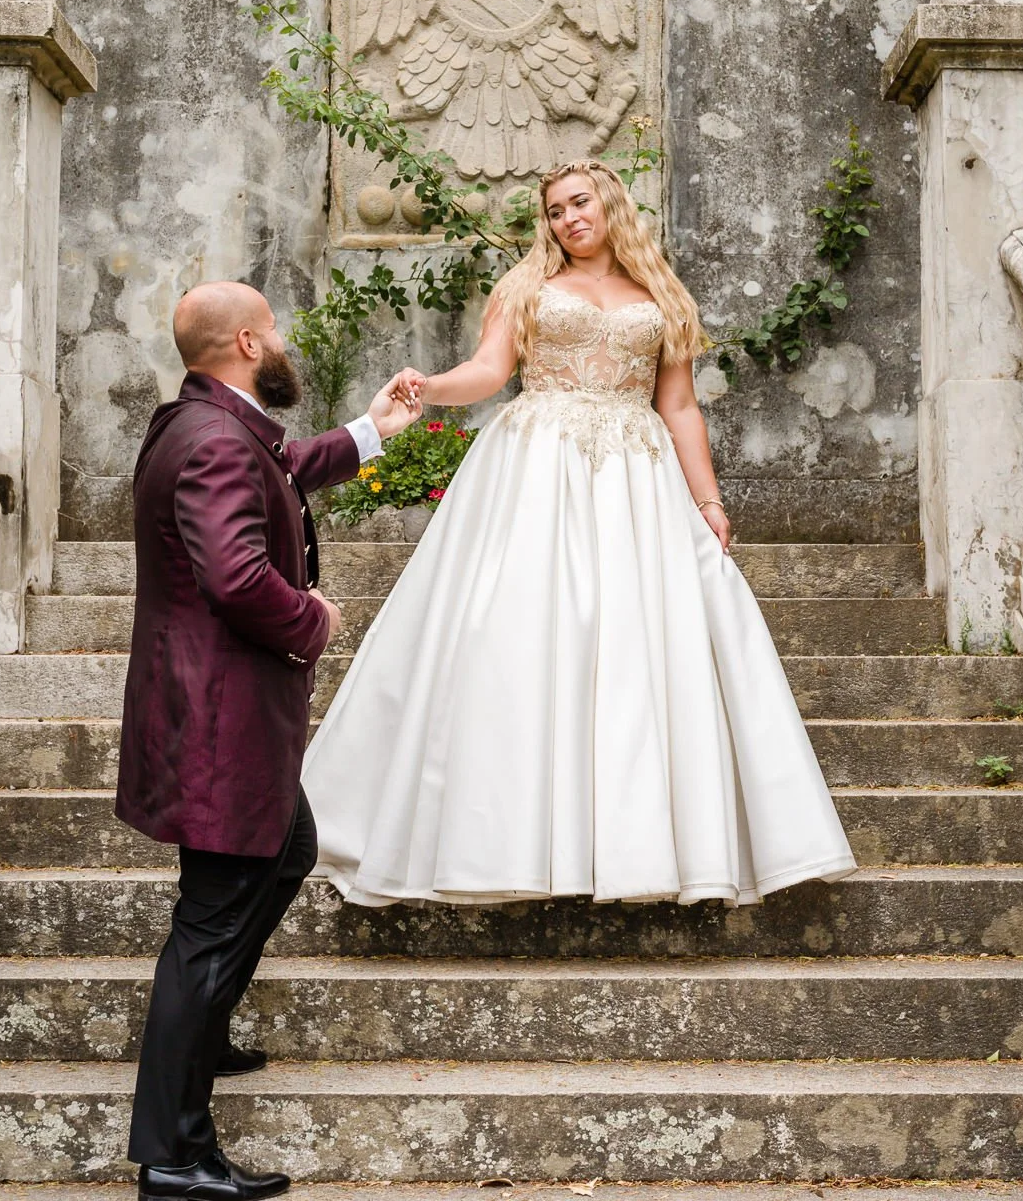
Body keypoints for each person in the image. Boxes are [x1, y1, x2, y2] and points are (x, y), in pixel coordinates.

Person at [304, 160, 855, 907]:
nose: (567, 218)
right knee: (521, 632)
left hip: (636, 475)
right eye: (555, 210)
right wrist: (430, 389)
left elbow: (681, 406)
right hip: (537, 464)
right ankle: (506, 840)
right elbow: (489, 370)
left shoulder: (661, 295)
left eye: (579, 202)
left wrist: (709, 502)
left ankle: (631, 847)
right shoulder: (525, 286)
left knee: (636, 646)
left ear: (609, 205)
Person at [117, 281, 421, 1201]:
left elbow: (284, 462)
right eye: (275, 329)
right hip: (220, 722)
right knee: (208, 925)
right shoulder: (213, 441)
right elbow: (237, 576)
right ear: (248, 341)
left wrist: (372, 430)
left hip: (219, 716)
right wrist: (315, 618)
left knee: (286, 852)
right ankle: (173, 1154)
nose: (281, 340)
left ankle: (199, 1037)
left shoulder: (209, 419)